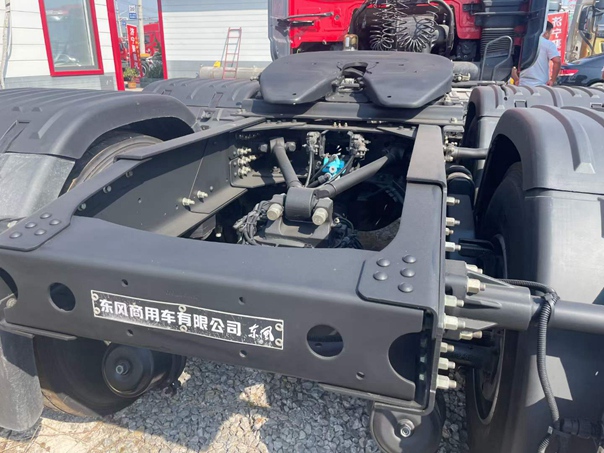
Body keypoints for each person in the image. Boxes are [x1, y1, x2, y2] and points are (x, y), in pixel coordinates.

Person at [511, 21, 561, 86]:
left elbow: (511, 64)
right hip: (541, 84)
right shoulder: (548, 44)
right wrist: (552, 80)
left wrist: (516, 79)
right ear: (546, 32)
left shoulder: (522, 42)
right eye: (550, 33)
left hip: (523, 83)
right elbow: (557, 61)